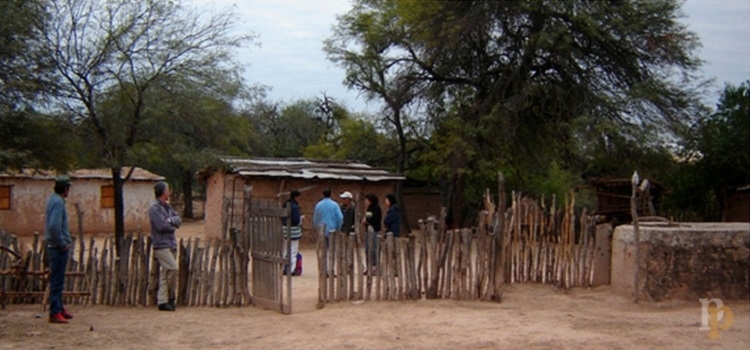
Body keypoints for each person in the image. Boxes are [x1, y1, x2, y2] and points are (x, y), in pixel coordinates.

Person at [148, 181, 182, 311]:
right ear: (163, 192)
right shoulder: (154, 209)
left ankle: (163, 301)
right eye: (167, 189)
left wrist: (170, 220)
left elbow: (178, 220)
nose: (169, 192)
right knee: (173, 268)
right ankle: (171, 297)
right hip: (161, 244)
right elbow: (161, 226)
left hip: (170, 243)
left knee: (165, 273)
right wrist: (171, 223)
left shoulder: (167, 208)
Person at [45, 175, 74, 324]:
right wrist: (62, 243)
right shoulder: (58, 203)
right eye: (68, 187)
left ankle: (59, 307)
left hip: (56, 246)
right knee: (57, 280)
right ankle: (55, 312)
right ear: (64, 188)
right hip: (57, 248)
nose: (69, 190)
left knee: (59, 279)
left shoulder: (54, 200)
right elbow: (54, 226)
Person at [313, 188, 343, 276]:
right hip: (332, 231)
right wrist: (338, 227)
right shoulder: (335, 205)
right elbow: (340, 217)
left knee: (323, 252)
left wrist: (318, 227)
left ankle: (324, 270)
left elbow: (315, 218)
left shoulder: (319, 205)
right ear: (331, 194)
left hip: (322, 231)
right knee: (332, 252)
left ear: (323, 194)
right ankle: (331, 270)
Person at [282, 190, 303, 275]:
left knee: (285, 249)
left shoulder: (285, 205)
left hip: (285, 230)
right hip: (294, 232)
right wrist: (301, 219)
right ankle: (291, 269)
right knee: (293, 250)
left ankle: (284, 267)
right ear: (296, 197)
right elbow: (296, 220)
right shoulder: (295, 207)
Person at [361, 193, 381, 274]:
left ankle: (375, 266)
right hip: (368, 231)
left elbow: (374, 219)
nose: (365, 201)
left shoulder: (376, 209)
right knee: (367, 249)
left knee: (373, 249)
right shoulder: (369, 209)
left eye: (366, 200)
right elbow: (367, 217)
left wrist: (367, 221)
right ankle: (369, 265)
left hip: (374, 231)